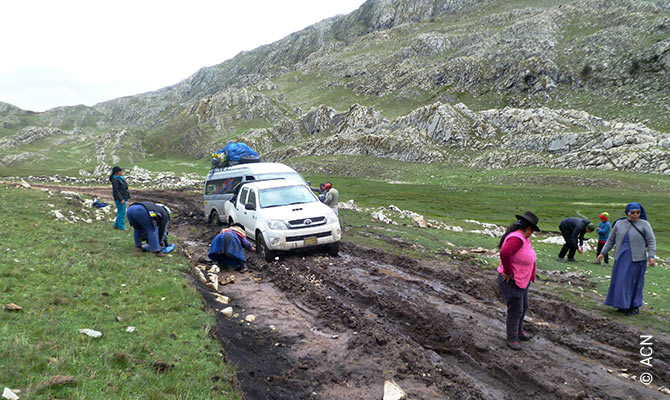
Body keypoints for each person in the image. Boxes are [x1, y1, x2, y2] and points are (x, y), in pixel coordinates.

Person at [598, 203, 656, 316]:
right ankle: (621, 304)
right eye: (632, 213)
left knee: (634, 282)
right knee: (620, 281)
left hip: (637, 259)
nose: (635, 215)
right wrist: (602, 253)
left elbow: (651, 241)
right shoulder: (619, 224)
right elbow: (611, 240)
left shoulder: (645, 225)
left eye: (638, 213)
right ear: (627, 213)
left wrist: (651, 256)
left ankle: (634, 306)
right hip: (621, 258)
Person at [497, 211, 540, 351]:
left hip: (522, 279)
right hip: (512, 280)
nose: (532, 233)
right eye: (532, 231)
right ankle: (512, 338)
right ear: (528, 229)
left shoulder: (523, 237)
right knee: (515, 309)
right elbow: (504, 253)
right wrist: (508, 271)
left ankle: (519, 332)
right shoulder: (516, 238)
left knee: (524, 306)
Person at [110, 166, 130, 230]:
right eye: (120, 171)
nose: (121, 172)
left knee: (120, 212)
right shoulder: (115, 180)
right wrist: (121, 199)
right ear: (116, 173)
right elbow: (116, 190)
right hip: (120, 198)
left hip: (123, 197)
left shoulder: (120, 179)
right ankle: (121, 227)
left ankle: (116, 225)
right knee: (122, 213)